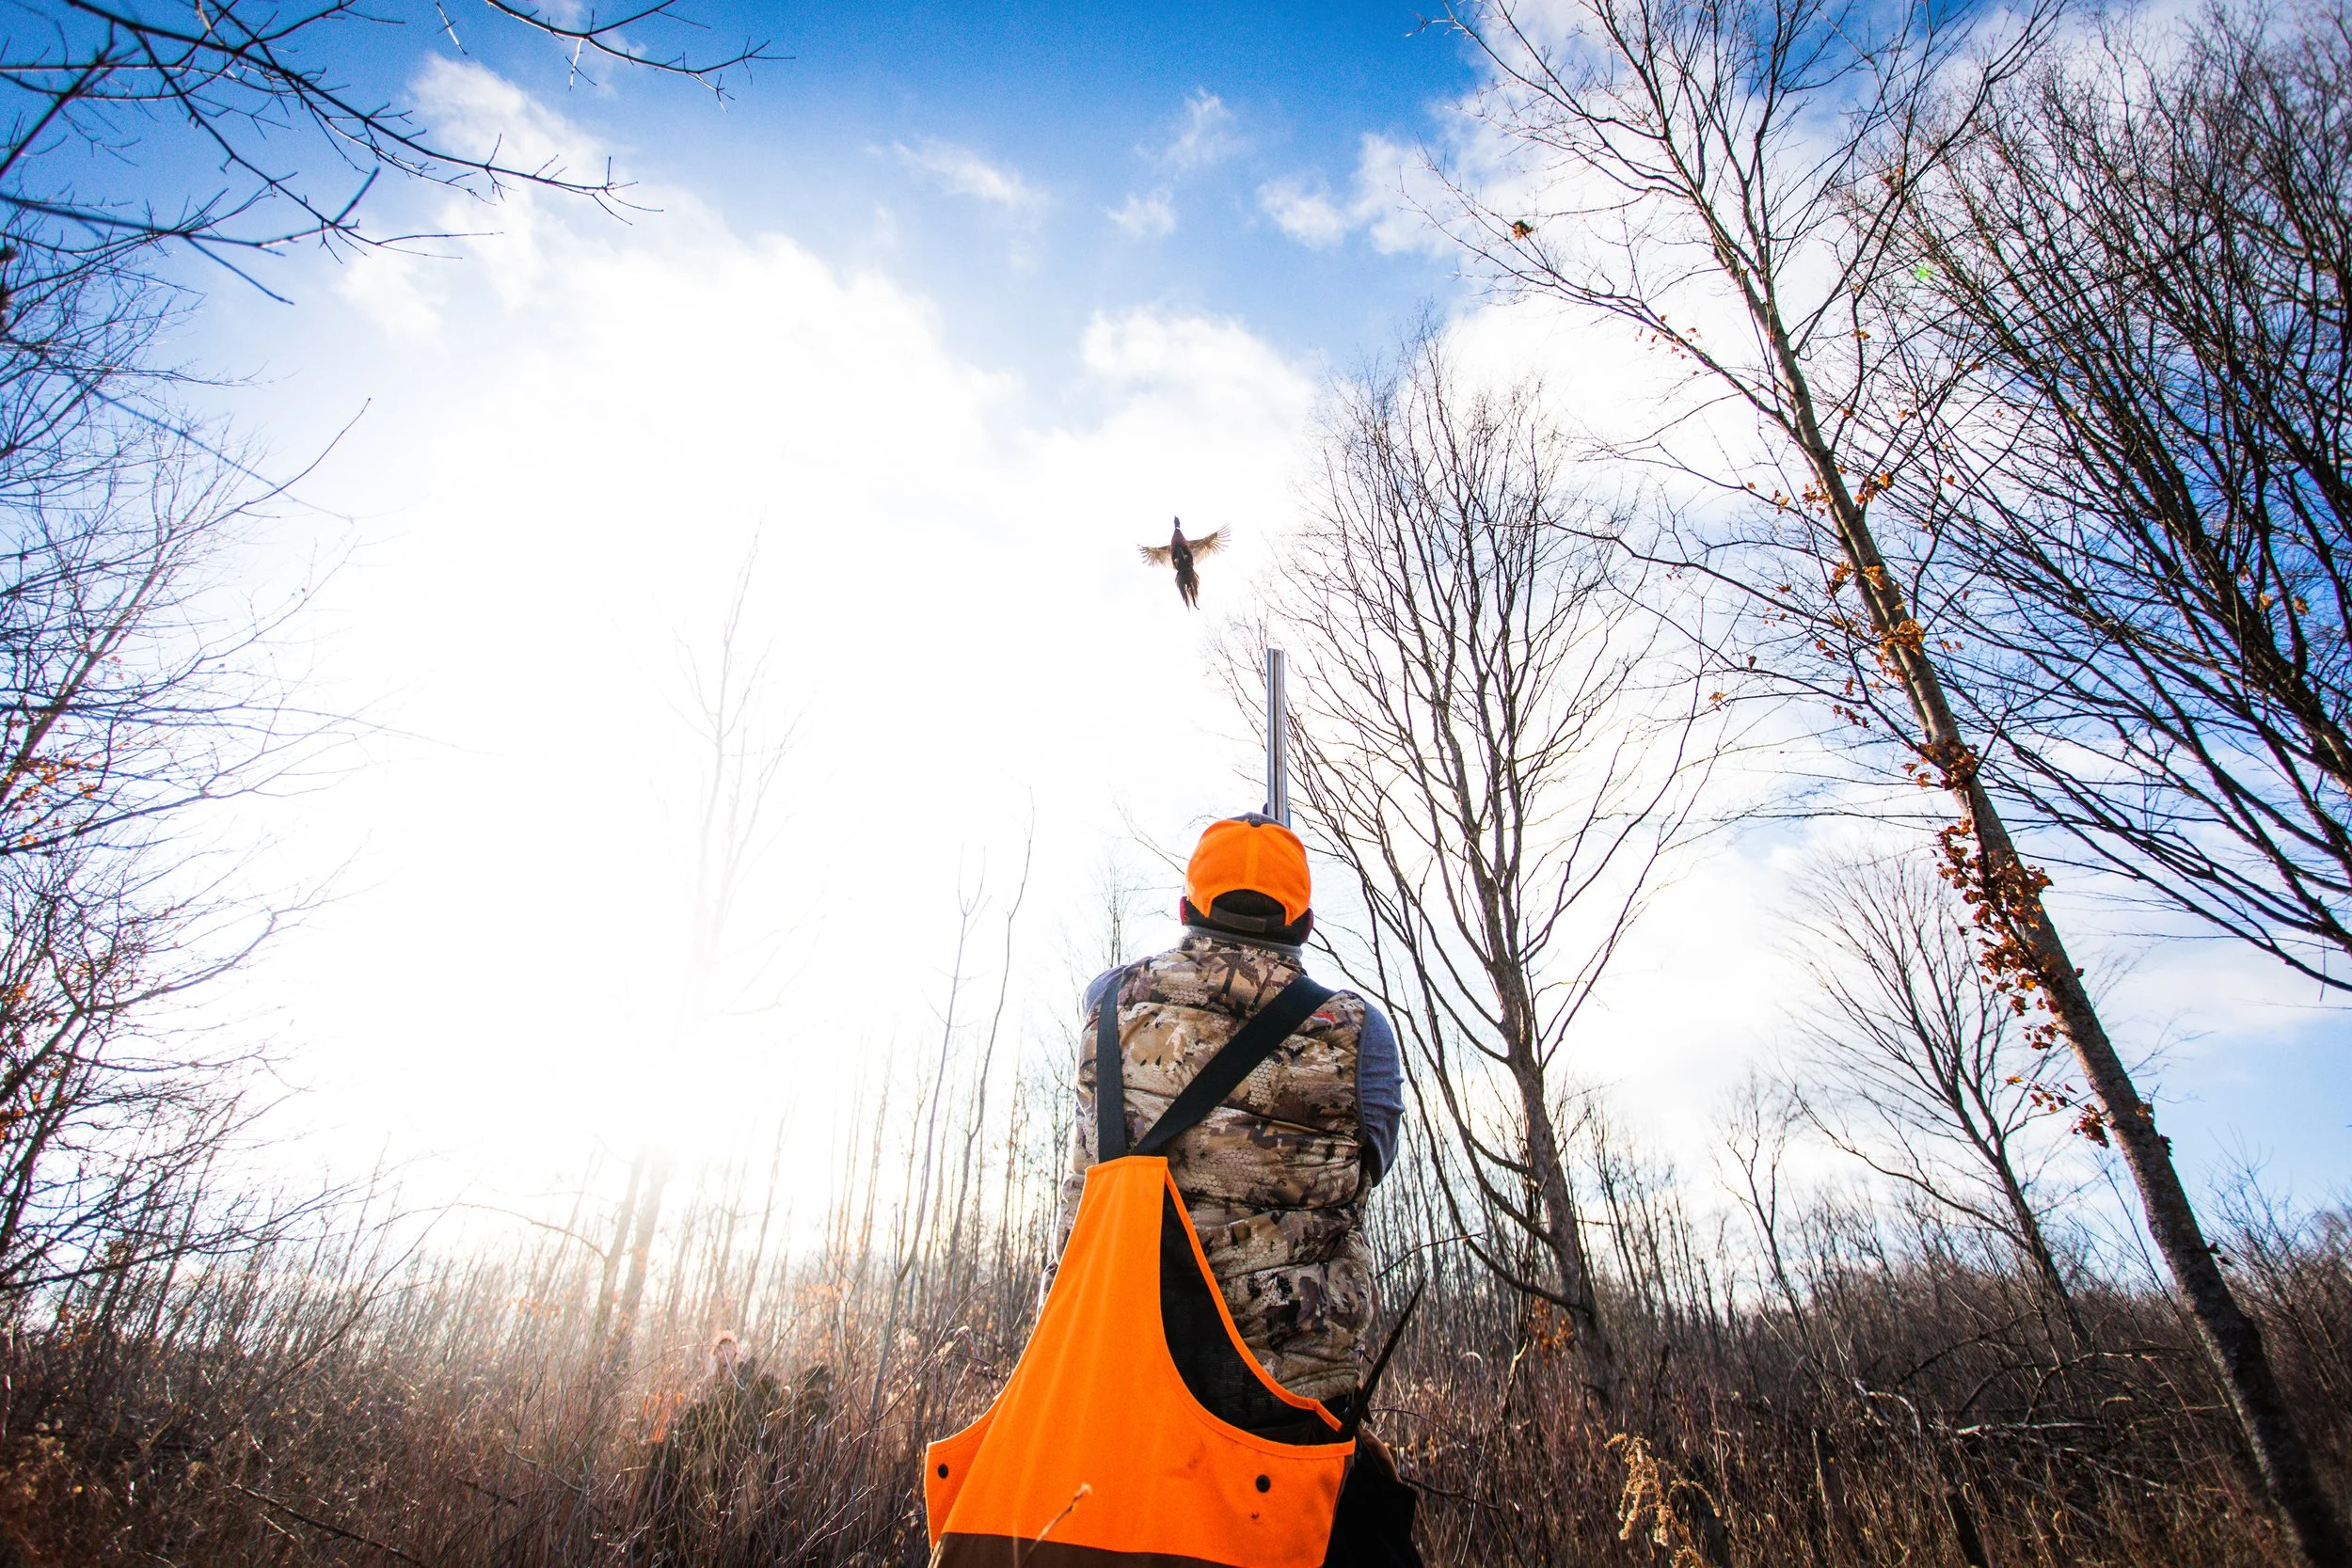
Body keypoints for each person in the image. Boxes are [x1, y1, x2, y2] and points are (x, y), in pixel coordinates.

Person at [1047, 813, 1421, 1564]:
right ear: (1304, 924)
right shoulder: (1362, 1036)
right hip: (1287, 1427)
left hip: (1110, 1398)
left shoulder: (1107, 1002)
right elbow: (1371, 1162)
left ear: (1187, 909)